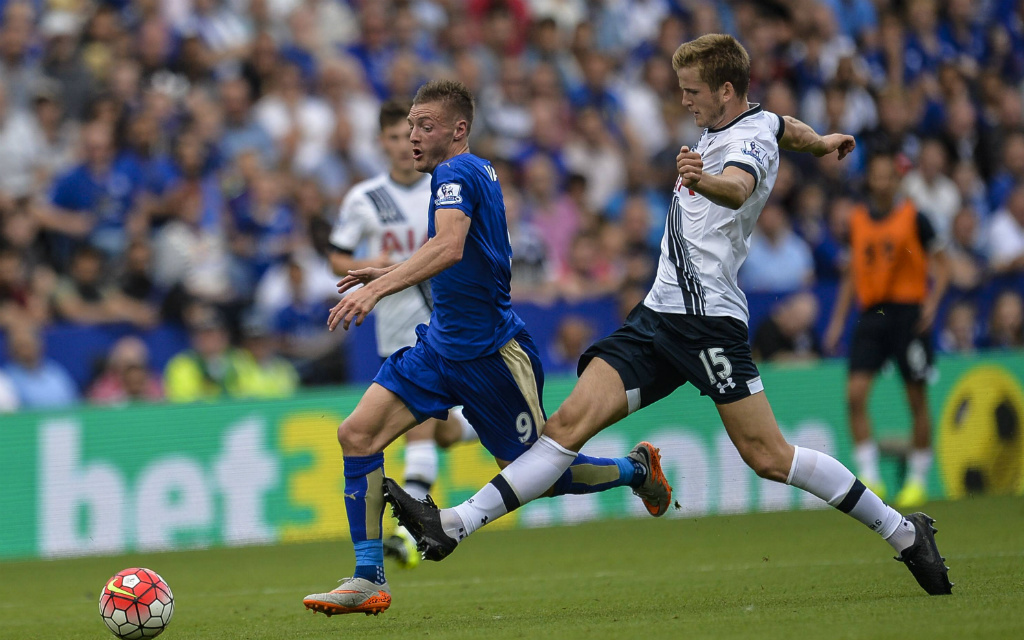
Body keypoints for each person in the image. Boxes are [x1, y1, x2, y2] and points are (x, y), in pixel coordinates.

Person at [387, 35, 953, 598]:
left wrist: (701, 177)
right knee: (563, 430)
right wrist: (823, 141)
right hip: (657, 315)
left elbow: (737, 187)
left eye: (693, 91)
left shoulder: (748, 143)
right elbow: (789, 127)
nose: (684, 102)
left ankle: (904, 532)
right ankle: (452, 525)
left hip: (708, 321)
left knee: (768, 456)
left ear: (726, 91)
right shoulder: (763, 122)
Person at [302, 80, 668, 617]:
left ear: (458, 129)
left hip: (492, 355)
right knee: (356, 433)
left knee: (545, 474)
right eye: (408, 128)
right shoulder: (465, 174)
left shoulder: (455, 171)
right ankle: (366, 577)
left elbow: (449, 247)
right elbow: (453, 245)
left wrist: (378, 288)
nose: (412, 138)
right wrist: (386, 270)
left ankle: (636, 469)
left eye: (424, 127)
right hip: (439, 345)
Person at [326, 100, 479, 569]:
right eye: (393, 136)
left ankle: (406, 535)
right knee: (441, 432)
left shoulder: (446, 185)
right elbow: (337, 255)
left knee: (418, 431)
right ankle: (481, 425)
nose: (402, 144)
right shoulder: (365, 199)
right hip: (392, 324)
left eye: (408, 134)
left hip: (443, 321)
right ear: (382, 142)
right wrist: (376, 274)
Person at [823, 152, 950, 511]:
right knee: (854, 395)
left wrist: (932, 303)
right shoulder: (858, 220)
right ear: (870, 180)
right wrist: (837, 321)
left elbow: (944, 266)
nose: (881, 183)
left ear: (896, 181)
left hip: (908, 314)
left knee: (916, 398)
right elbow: (850, 275)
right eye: (875, 176)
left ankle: (918, 480)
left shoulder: (916, 218)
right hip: (872, 314)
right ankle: (870, 476)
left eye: (887, 177)